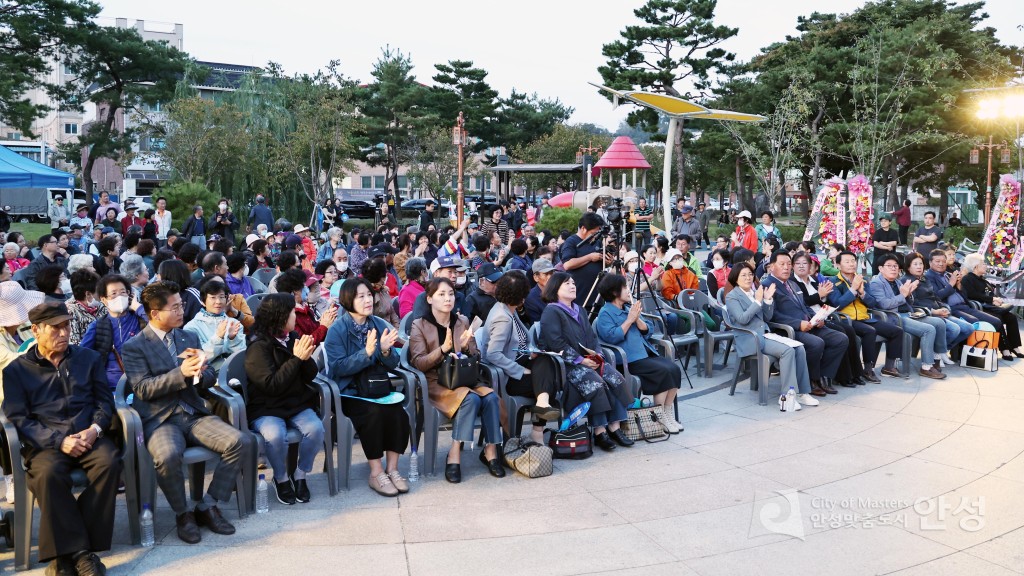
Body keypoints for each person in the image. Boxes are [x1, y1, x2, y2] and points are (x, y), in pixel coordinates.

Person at [122, 281, 254, 544]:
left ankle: (208, 504)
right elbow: (143, 389)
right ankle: (183, 514)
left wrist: (201, 372)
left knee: (240, 441)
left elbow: (207, 379)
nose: (181, 311)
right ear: (154, 313)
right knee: (167, 455)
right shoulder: (135, 346)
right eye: (174, 307)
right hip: (161, 420)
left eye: (181, 305)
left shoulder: (187, 336)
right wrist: (181, 373)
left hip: (193, 413)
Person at [1, 301, 120, 576]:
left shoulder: (87, 359)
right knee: (47, 474)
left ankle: (66, 552)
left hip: (87, 435)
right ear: (36, 330)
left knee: (110, 462)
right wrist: (58, 441)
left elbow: (105, 403)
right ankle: (80, 553)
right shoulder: (17, 371)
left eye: (66, 326)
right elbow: (19, 418)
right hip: (45, 443)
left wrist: (94, 430)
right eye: (55, 328)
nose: (64, 333)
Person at [409, 278, 505, 482]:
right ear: (429, 298)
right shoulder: (419, 325)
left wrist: (467, 347)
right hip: (436, 383)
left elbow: (476, 356)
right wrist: (443, 350)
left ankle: (490, 450)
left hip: (463, 379)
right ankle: (454, 453)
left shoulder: (462, 321)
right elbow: (418, 363)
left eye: (451, 294)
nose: (448, 299)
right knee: (471, 399)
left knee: (491, 398)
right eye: (441, 294)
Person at [324, 279, 409, 496]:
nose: (367, 300)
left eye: (369, 295)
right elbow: (338, 367)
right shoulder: (337, 330)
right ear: (348, 300)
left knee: (398, 413)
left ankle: (392, 469)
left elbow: (393, 363)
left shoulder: (378, 324)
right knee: (373, 414)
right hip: (348, 391)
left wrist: (387, 352)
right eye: (360, 296)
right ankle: (376, 472)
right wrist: (368, 353)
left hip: (376, 387)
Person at [538, 272, 633, 452]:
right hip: (567, 365)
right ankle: (599, 431)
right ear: (555, 288)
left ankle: (615, 426)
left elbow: (591, 337)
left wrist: (596, 356)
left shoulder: (579, 309)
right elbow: (555, 343)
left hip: (588, 361)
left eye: (573, 282)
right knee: (596, 384)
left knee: (615, 377)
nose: (573, 286)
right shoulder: (552, 311)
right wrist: (581, 360)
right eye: (567, 284)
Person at [244, 294, 324, 505]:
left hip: (295, 403)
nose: (295, 316)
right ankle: (280, 478)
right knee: (275, 435)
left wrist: (305, 358)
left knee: (316, 429)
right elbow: (272, 386)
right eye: (291, 312)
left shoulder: (293, 337)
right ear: (279, 317)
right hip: (266, 406)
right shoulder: (258, 347)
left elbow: (310, 375)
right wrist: (296, 359)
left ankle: (300, 474)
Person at [595, 274, 683, 433]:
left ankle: (667, 413)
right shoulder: (605, 313)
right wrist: (629, 320)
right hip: (628, 360)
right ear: (614, 292)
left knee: (674, 369)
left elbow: (648, 330)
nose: (629, 291)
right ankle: (659, 416)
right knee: (662, 372)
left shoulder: (629, 308)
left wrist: (636, 319)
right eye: (625, 288)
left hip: (644, 354)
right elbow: (611, 337)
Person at [724, 264, 818, 408]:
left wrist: (767, 300)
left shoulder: (756, 291)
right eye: (743, 275)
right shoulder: (732, 296)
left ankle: (802, 393)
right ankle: (787, 397)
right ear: (735, 278)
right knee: (788, 350)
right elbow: (742, 319)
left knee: (799, 348)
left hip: (765, 335)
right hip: (750, 338)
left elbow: (767, 317)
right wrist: (757, 301)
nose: (748, 278)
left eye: (750, 274)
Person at [483, 273, 560, 443]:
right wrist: (520, 370)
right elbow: (493, 353)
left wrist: (530, 353)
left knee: (545, 362)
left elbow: (517, 343)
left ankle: (542, 405)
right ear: (521, 297)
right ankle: (537, 430)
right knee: (549, 384)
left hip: (518, 360)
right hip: (506, 376)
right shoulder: (503, 317)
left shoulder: (506, 309)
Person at [762, 251, 849, 395]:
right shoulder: (767, 285)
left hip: (808, 324)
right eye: (782, 264)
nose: (786, 268)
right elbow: (773, 316)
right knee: (816, 343)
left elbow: (804, 306)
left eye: (789, 264)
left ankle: (822, 375)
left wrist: (817, 318)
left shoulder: (791, 283)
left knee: (841, 339)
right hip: (788, 329)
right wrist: (798, 324)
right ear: (772, 266)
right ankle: (811, 380)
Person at [827, 251, 905, 380]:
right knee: (870, 331)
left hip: (864, 318)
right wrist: (853, 289)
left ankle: (889, 367)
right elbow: (837, 304)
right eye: (847, 261)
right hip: (846, 319)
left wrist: (862, 293)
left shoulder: (862, 280)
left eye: (853, 261)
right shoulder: (834, 282)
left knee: (896, 331)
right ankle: (868, 369)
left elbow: (872, 303)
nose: (851, 264)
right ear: (838, 265)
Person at [790, 252, 864, 387]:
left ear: (811, 266)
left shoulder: (814, 280)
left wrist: (823, 299)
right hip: (810, 320)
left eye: (804, 263)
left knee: (849, 330)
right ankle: (842, 376)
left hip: (823, 316)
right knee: (842, 332)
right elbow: (803, 302)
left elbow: (829, 301)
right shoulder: (792, 282)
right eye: (797, 263)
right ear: (793, 266)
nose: (801, 266)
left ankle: (855, 373)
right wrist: (819, 296)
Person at [867, 253, 946, 379]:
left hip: (908, 313)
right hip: (893, 317)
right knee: (928, 329)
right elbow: (884, 304)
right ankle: (926, 367)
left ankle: (936, 359)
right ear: (881, 268)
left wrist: (909, 294)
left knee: (939, 323)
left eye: (896, 266)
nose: (893, 268)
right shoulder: (876, 283)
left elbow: (909, 303)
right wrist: (903, 295)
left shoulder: (897, 282)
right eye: (889, 266)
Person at [80, 275, 148, 390]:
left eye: (123, 292)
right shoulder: (97, 326)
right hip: (111, 387)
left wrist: (137, 307)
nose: (119, 297)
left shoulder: (139, 319)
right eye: (113, 294)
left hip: (143, 382)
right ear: (103, 300)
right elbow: (83, 356)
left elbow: (159, 323)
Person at [902, 251, 973, 356]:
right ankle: (937, 353)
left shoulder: (924, 279)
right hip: (925, 313)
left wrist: (944, 307)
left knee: (969, 328)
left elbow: (934, 296)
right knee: (954, 329)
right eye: (915, 264)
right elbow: (913, 303)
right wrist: (935, 311)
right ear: (908, 267)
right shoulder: (907, 281)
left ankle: (940, 352)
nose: (919, 267)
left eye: (921, 264)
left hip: (939, 310)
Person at [960, 252, 1024, 360]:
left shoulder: (982, 279)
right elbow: (972, 295)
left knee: (1011, 317)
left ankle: (1014, 346)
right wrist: (992, 299)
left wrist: (996, 300)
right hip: (979, 308)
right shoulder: (968, 279)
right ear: (976, 266)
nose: (985, 265)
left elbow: (989, 293)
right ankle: (1004, 349)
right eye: (983, 263)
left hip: (991, 307)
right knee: (997, 318)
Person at [183, 278, 246, 371]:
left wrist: (233, 339)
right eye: (213, 297)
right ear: (202, 301)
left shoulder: (234, 323)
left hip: (236, 372)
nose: (218, 301)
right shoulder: (191, 327)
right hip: (208, 376)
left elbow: (241, 356)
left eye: (221, 297)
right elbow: (196, 360)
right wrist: (218, 337)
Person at [559, 212, 609, 308]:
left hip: (597, 294)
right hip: (580, 296)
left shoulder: (597, 242)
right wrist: (589, 257)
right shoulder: (571, 241)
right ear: (583, 228)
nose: (595, 236)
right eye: (593, 233)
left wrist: (607, 261)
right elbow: (567, 264)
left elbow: (600, 262)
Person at [275, 268, 336, 345]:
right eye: (304, 287)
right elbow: (304, 345)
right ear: (295, 291)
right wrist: (324, 326)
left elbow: (315, 328)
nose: (307, 290)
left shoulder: (304, 307)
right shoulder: (289, 316)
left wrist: (326, 319)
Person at [66, 269, 106, 346]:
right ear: (88, 294)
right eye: (99, 291)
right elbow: (74, 344)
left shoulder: (101, 305)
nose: (102, 294)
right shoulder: (70, 312)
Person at [362, 256, 400, 328]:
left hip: (391, 331)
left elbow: (393, 314)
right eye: (383, 276)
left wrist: (397, 330)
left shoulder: (383, 291)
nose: (385, 278)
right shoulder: (368, 297)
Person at [524, 258, 554, 325]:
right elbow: (538, 326)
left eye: (551, 273)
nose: (550, 277)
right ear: (536, 277)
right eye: (546, 274)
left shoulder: (559, 291)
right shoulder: (531, 298)